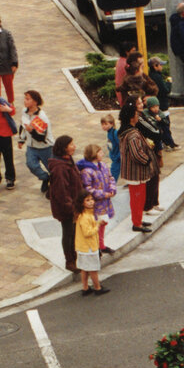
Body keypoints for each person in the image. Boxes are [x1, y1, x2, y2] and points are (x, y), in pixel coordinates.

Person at [118, 102, 158, 233]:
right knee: (137, 199)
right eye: (136, 114)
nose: (138, 116)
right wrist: (147, 160)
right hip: (136, 172)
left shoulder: (125, 132)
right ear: (131, 117)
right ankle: (137, 223)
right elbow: (137, 154)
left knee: (138, 198)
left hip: (132, 172)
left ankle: (138, 219)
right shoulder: (133, 134)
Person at [48, 136, 84, 272]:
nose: (74, 146)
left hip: (75, 205)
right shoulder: (59, 168)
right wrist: (72, 208)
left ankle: (74, 257)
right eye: (71, 144)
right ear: (63, 148)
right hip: (68, 208)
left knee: (73, 233)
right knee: (69, 234)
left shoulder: (67, 160)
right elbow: (61, 191)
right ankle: (70, 261)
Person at [76, 145, 116, 255]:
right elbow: (87, 188)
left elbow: (110, 177)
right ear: (94, 154)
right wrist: (104, 194)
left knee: (102, 224)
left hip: (105, 201)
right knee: (95, 225)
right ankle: (96, 247)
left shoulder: (102, 165)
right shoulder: (87, 171)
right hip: (96, 204)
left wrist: (112, 189)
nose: (103, 154)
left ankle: (101, 245)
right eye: (100, 152)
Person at [17, 90, 53, 194]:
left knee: (51, 168)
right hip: (31, 146)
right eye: (25, 98)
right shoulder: (24, 111)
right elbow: (23, 126)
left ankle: (55, 186)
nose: (25, 101)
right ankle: (45, 178)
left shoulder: (42, 116)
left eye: (28, 99)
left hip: (45, 147)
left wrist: (31, 131)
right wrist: (21, 139)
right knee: (31, 164)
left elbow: (42, 137)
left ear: (35, 102)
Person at [74, 191, 108, 296]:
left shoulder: (84, 214)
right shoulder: (85, 217)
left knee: (84, 268)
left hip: (82, 247)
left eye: (92, 199)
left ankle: (85, 288)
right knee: (93, 269)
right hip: (88, 247)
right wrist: (97, 225)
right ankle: (97, 288)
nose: (91, 202)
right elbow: (87, 233)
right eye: (87, 200)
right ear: (82, 203)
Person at [101, 114, 119, 182]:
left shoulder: (115, 133)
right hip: (114, 156)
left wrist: (118, 156)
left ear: (111, 124)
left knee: (113, 173)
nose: (103, 126)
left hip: (118, 158)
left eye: (105, 124)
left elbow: (121, 145)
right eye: (102, 124)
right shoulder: (109, 132)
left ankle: (111, 186)